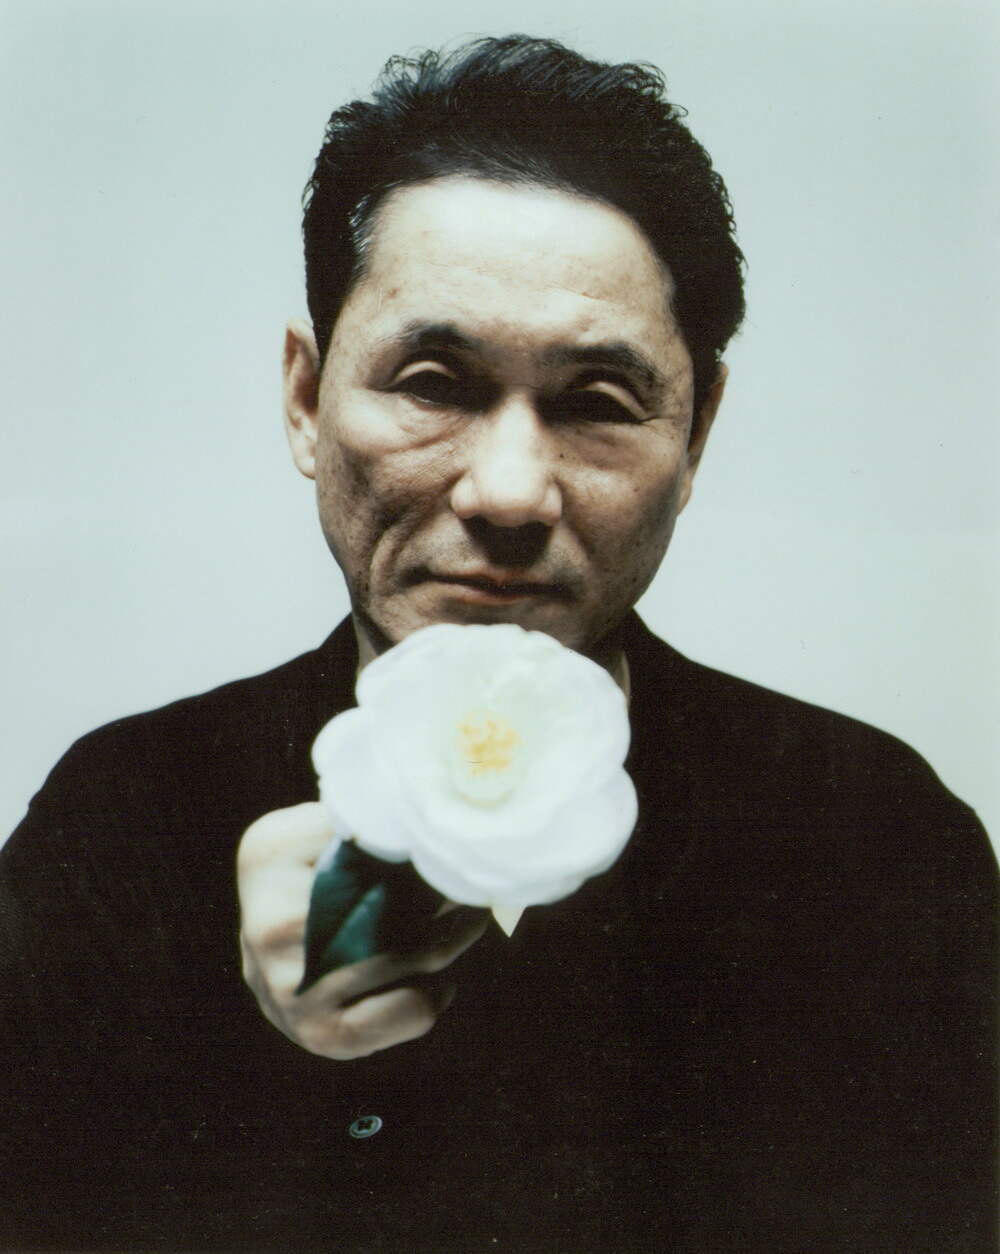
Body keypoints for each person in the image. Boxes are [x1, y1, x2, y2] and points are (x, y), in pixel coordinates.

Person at [1, 35, 994, 1254]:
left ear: (696, 434)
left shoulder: (880, 847)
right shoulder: (119, 825)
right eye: (433, 382)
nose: (511, 492)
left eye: (596, 403)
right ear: (306, 399)